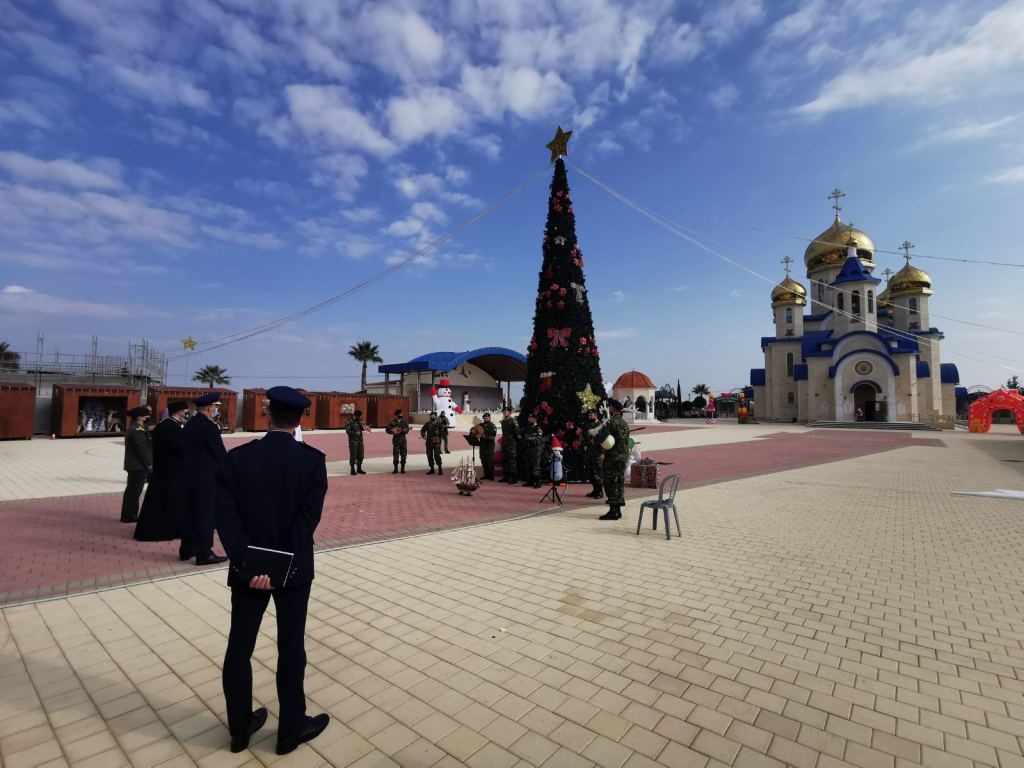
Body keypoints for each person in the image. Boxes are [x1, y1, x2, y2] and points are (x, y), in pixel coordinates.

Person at [214, 386, 330, 755]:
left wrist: (250, 564)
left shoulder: (238, 458)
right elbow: (305, 523)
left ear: (267, 416)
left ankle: (239, 730)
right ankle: (290, 730)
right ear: (301, 418)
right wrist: (280, 567)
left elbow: (226, 517)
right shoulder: (312, 461)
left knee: (239, 648)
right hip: (293, 572)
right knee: (291, 646)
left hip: (247, 570)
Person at [182, 392, 229, 565]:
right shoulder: (209, 427)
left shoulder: (190, 424)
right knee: (205, 516)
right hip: (206, 478)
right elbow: (219, 454)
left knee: (190, 514)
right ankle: (204, 553)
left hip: (189, 476)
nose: (216, 410)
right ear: (210, 409)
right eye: (216, 407)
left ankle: (186, 549)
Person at [135, 401, 189, 542]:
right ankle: (167, 530)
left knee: (157, 503)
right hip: (172, 471)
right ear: (179, 412)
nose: (186, 415)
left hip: (162, 469)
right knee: (170, 503)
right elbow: (180, 450)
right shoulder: (173, 428)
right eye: (185, 412)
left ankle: (156, 529)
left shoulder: (162, 426)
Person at [592, 399, 630, 520]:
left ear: (613, 408)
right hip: (623, 457)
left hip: (613, 457)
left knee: (610, 481)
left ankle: (613, 511)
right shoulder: (624, 423)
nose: (609, 408)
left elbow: (601, 436)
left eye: (610, 407)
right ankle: (617, 509)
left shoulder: (612, 422)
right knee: (619, 481)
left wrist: (594, 439)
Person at [120, 406, 152, 523]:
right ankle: (131, 516)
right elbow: (142, 448)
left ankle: (126, 515)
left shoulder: (134, 427)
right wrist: (149, 464)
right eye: (145, 415)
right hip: (138, 465)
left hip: (133, 465)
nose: (147, 417)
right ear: (139, 417)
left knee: (131, 491)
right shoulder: (137, 430)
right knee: (134, 492)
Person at [583, 408, 604, 500]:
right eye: (589, 415)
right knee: (590, 472)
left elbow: (604, 440)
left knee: (597, 473)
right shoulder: (588, 425)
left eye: (591, 415)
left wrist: (602, 452)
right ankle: (595, 489)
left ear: (596, 415)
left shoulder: (600, 426)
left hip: (597, 452)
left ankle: (599, 491)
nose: (590, 417)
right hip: (589, 453)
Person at [521, 413, 544, 489]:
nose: (528, 419)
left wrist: (530, 438)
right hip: (528, 450)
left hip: (536, 450)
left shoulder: (538, 428)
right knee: (528, 466)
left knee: (535, 467)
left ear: (534, 419)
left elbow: (538, 439)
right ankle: (530, 481)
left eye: (530, 418)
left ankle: (538, 482)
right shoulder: (528, 428)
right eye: (529, 418)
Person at [344, 410, 370, 475]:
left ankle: (359, 468)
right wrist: (355, 433)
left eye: (360, 416)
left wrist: (366, 428)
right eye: (358, 416)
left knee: (361, 455)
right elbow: (348, 431)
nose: (359, 417)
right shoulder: (349, 421)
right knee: (353, 455)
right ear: (354, 415)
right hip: (353, 441)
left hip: (360, 441)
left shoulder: (360, 420)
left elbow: (364, 428)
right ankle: (352, 469)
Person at [385, 408, 410, 474]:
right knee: (395, 454)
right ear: (397, 415)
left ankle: (402, 468)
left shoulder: (404, 422)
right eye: (400, 414)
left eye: (401, 414)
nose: (401, 415)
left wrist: (402, 430)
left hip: (403, 440)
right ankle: (395, 468)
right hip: (396, 440)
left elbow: (407, 429)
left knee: (403, 454)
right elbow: (387, 429)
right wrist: (393, 432)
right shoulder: (393, 422)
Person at [499, 407, 520, 484]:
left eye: (505, 411)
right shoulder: (504, 421)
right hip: (505, 443)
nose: (504, 413)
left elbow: (517, 433)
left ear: (510, 413)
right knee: (505, 460)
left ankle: (513, 478)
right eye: (503, 411)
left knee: (512, 461)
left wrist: (514, 441)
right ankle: (506, 477)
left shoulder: (513, 421)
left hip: (511, 444)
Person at [479, 412, 497, 481]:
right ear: (483, 418)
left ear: (489, 418)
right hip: (482, 446)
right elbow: (475, 429)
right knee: (483, 460)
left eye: (487, 418)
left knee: (490, 461)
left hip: (489, 446)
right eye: (485, 418)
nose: (486, 419)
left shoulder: (492, 426)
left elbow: (493, 436)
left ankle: (491, 476)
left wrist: (485, 437)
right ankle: (486, 475)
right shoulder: (481, 425)